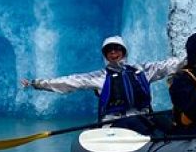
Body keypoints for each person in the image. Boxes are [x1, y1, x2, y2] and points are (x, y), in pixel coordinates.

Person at [21, 35, 184, 133]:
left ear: (123, 51)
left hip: (144, 117)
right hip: (114, 122)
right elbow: (69, 82)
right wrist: (36, 83)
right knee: (137, 124)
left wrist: (195, 57)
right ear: (106, 55)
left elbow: (168, 65)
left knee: (167, 120)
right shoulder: (100, 76)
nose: (113, 53)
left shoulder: (141, 71)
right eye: (109, 51)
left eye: (117, 49)